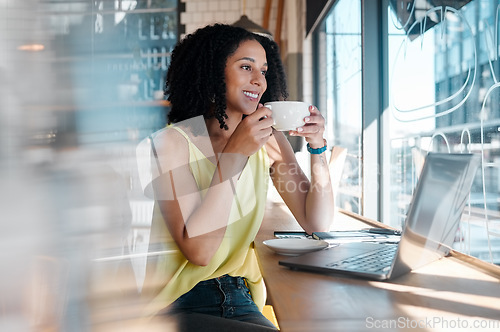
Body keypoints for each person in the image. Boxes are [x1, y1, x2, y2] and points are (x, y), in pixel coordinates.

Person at [141, 23, 334, 331]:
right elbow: (200, 252)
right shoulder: (171, 144)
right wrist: (236, 155)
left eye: (264, 70)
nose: (259, 81)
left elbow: (317, 222)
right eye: (246, 67)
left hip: (241, 296)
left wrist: (317, 146)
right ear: (214, 72)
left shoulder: (269, 141)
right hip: (180, 303)